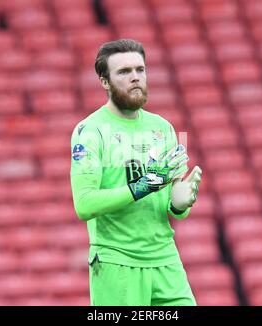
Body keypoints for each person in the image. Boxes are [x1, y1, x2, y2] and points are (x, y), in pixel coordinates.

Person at [70, 39, 202, 306]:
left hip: (165, 259)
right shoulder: (90, 131)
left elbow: (170, 201)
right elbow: (84, 204)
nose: (135, 78)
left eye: (140, 70)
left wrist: (179, 203)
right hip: (117, 261)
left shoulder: (162, 127)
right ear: (104, 82)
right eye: (123, 72)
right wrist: (144, 185)